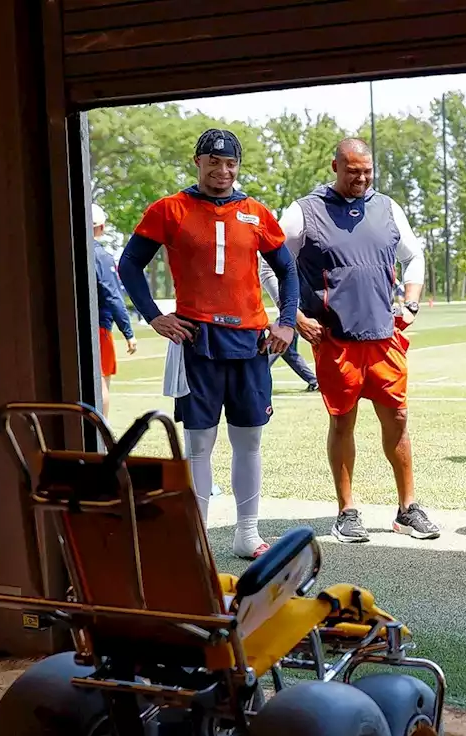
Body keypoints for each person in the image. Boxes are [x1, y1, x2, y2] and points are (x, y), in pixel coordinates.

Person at [118, 128, 299, 560]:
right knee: (199, 442)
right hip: (197, 339)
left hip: (251, 342)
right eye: (213, 162)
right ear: (197, 162)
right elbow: (129, 264)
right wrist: (155, 317)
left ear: (238, 166)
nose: (222, 171)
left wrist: (286, 322)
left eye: (230, 163)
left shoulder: (256, 212)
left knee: (249, 440)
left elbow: (289, 271)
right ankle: (196, 535)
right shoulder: (170, 209)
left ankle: (247, 534)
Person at [280, 137, 439, 543]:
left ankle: (407, 509)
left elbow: (414, 255)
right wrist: (293, 315)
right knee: (342, 421)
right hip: (335, 339)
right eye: (353, 171)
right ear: (335, 166)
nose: (361, 178)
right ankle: (346, 511)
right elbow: (273, 264)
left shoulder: (387, 207)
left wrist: (412, 303)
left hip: (384, 337)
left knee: (398, 419)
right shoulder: (304, 211)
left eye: (367, 171)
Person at [91, 203, 136, 419]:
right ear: (101, 227)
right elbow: (113, 297)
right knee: (101, 384)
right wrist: (128, 332)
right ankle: (101, 434)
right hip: (98, 327)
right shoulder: (101, 256)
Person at [258, 257, 319, 392]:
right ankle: (313, 380)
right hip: (292, 306)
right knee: (288, 352)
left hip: (293, 307)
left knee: (275, 345)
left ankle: (255, 378)